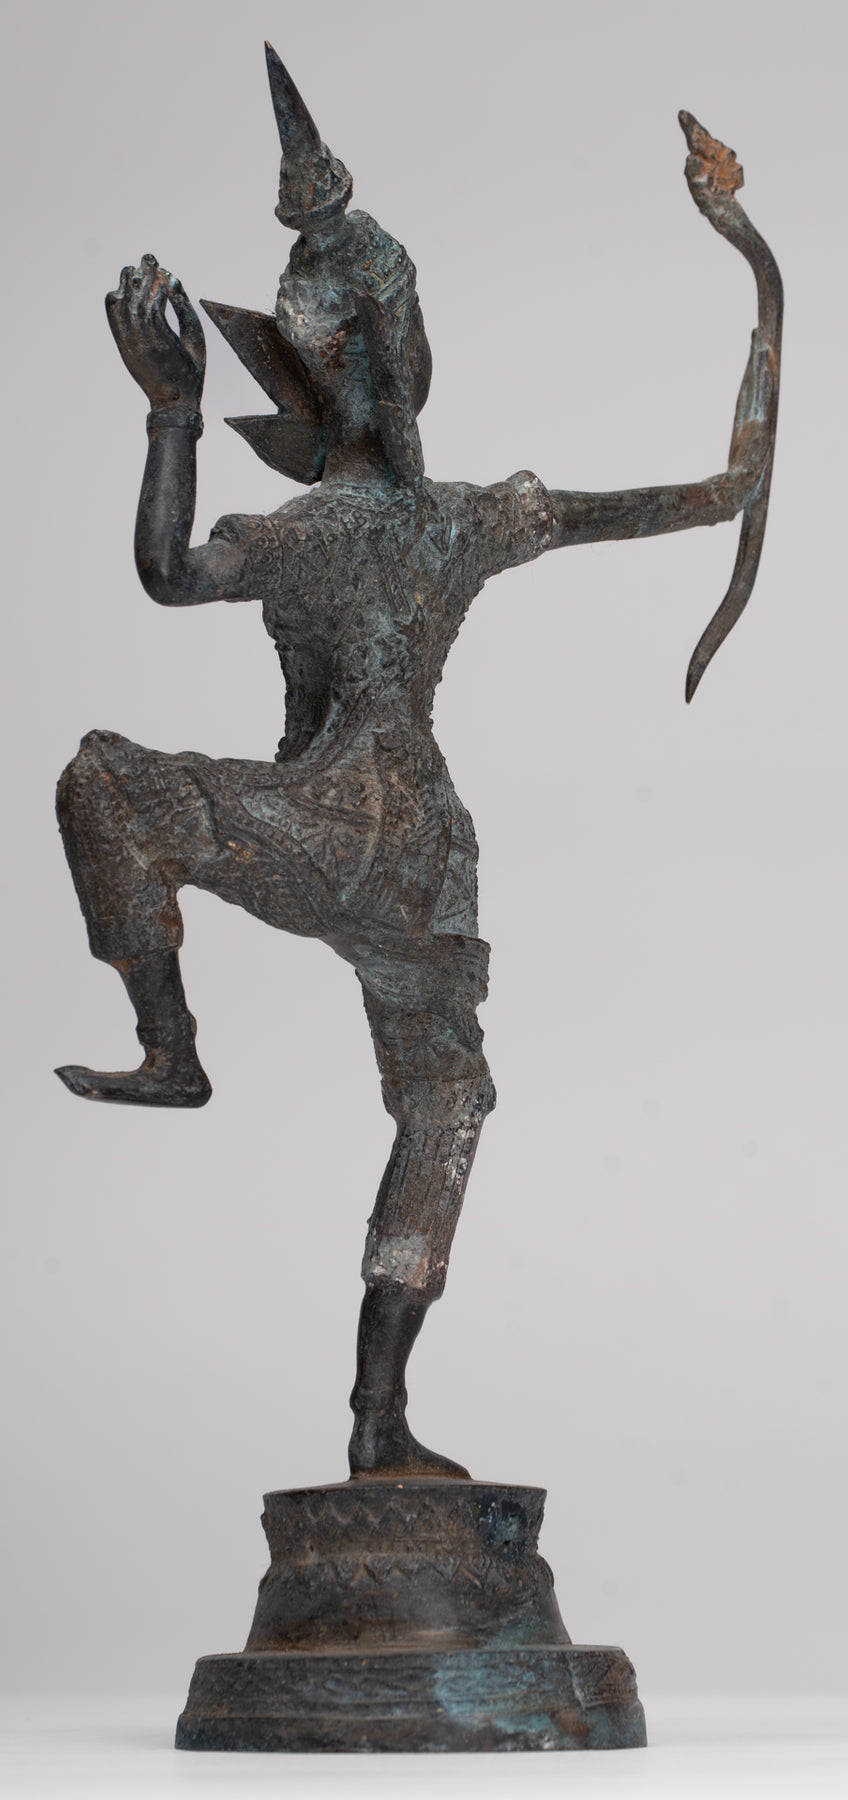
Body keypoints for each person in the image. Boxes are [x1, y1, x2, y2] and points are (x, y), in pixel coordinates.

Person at [55, 47, 779, 1479]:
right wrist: (173, 411)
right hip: (390, 850)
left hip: (377, 844)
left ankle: (363, 1389)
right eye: (358, 350)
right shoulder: (373, 527)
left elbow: (723, 491)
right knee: (440, 1096)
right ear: (320, 376)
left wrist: (750, 261)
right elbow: (165, 572)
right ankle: (367, 1399)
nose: (383, 370)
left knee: (117, 795)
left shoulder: (445, 520)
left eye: (391, 339)